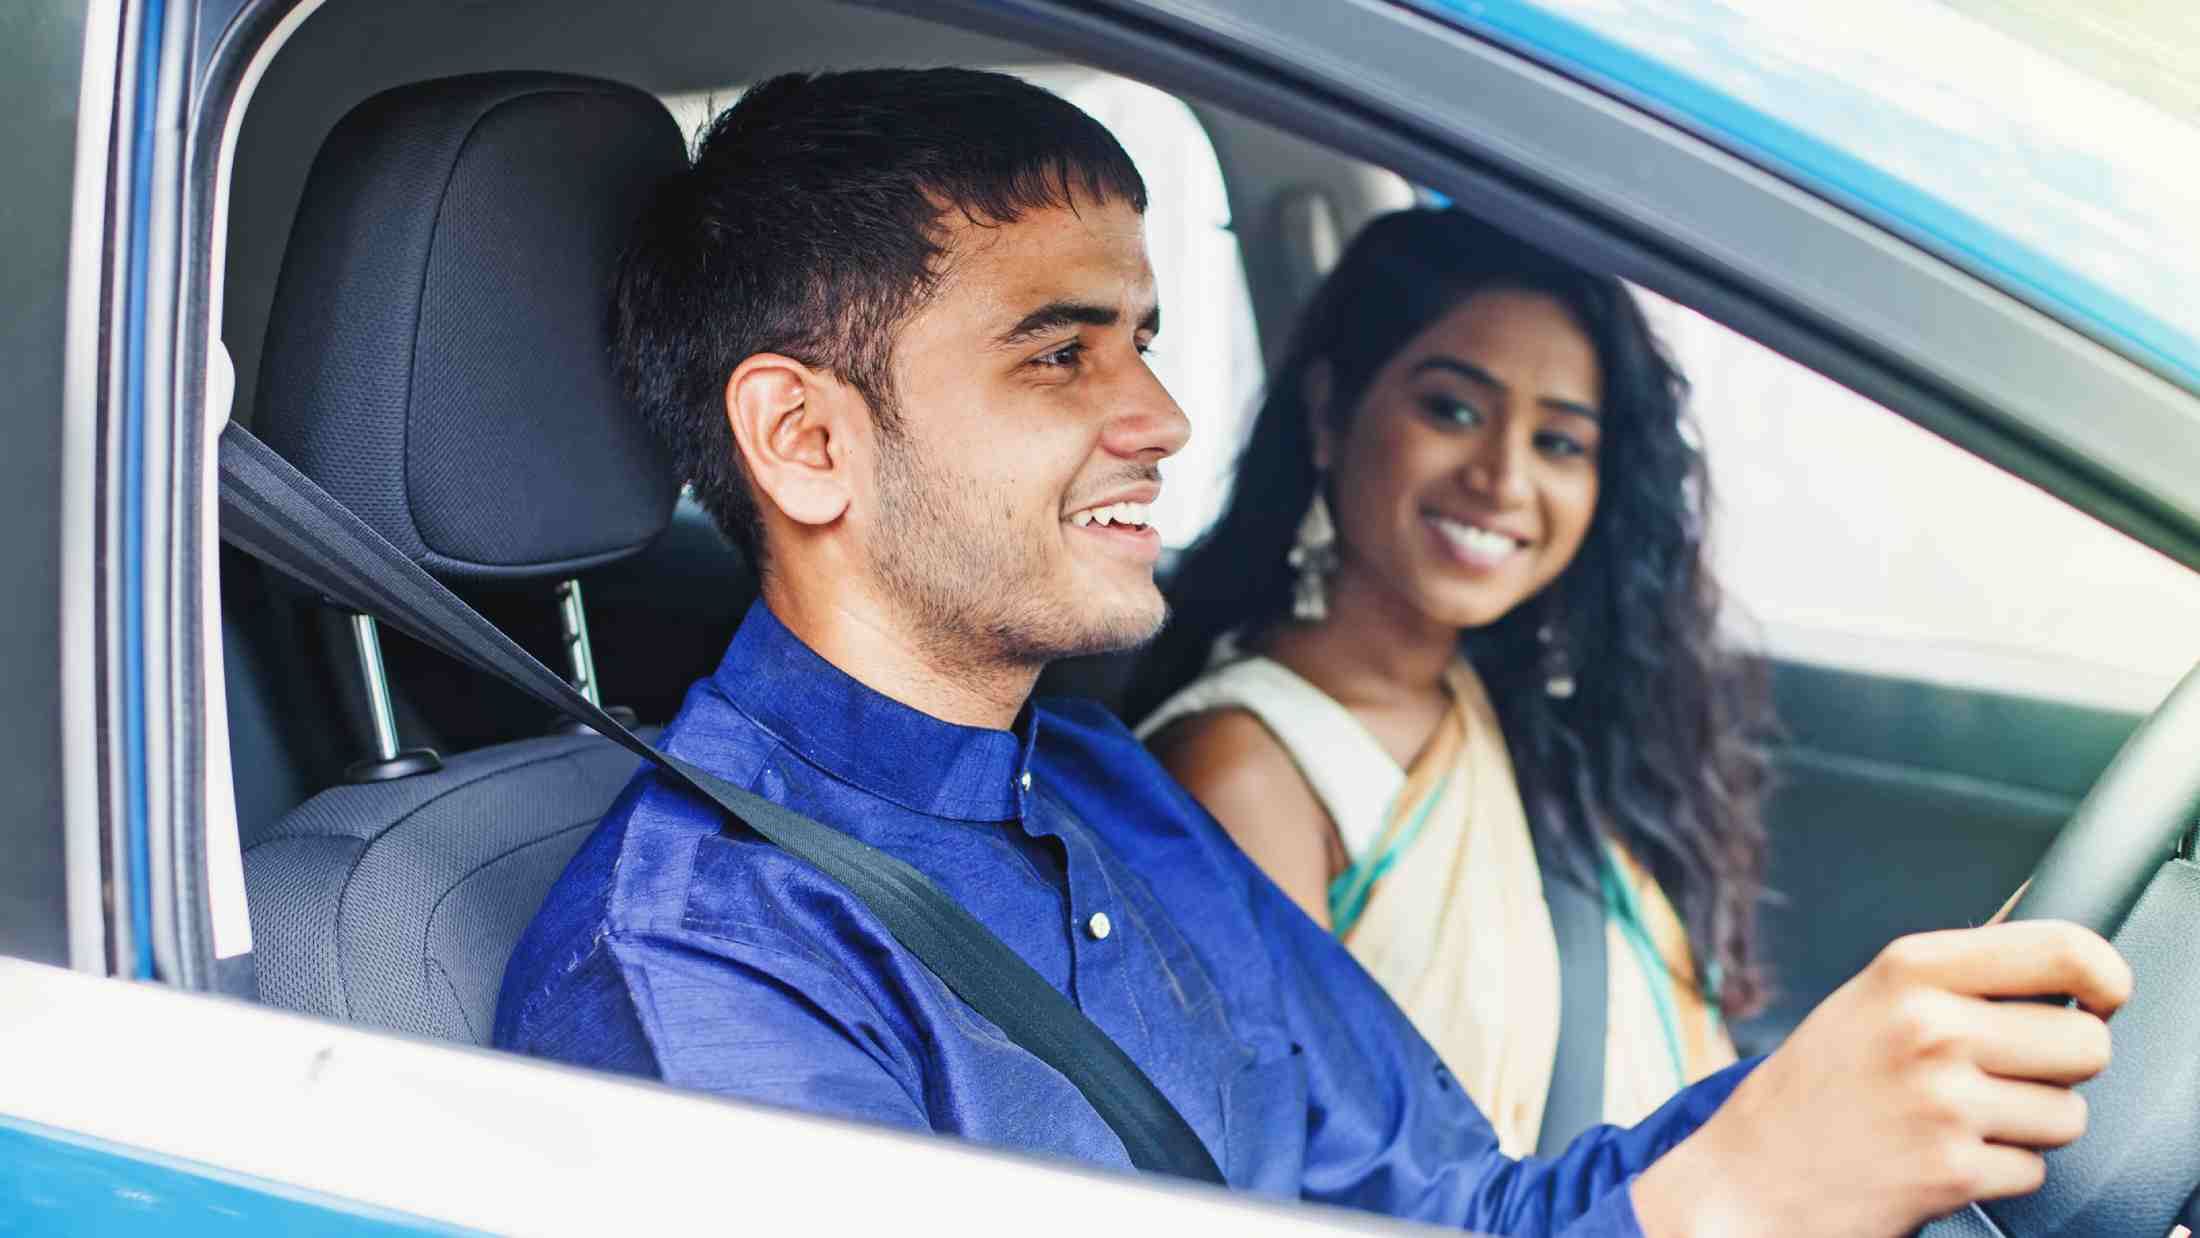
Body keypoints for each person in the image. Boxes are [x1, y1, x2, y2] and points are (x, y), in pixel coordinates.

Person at [495, 68, 2130, 1237]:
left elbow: (1457, 1199)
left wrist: (1824, 1119)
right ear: (802, 438)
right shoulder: (699, 979)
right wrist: (1725, 1203)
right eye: (1059, 354)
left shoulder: (1101, 786)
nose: (1163, 417)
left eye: (1139, 338)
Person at [1128, 210, 1762, 1153]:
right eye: (1453, 410)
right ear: (1331, 415)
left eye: (1559, 444)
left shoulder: (1524, 720)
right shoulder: (1242, 770)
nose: (1503, 479)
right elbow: (1295, 1165)